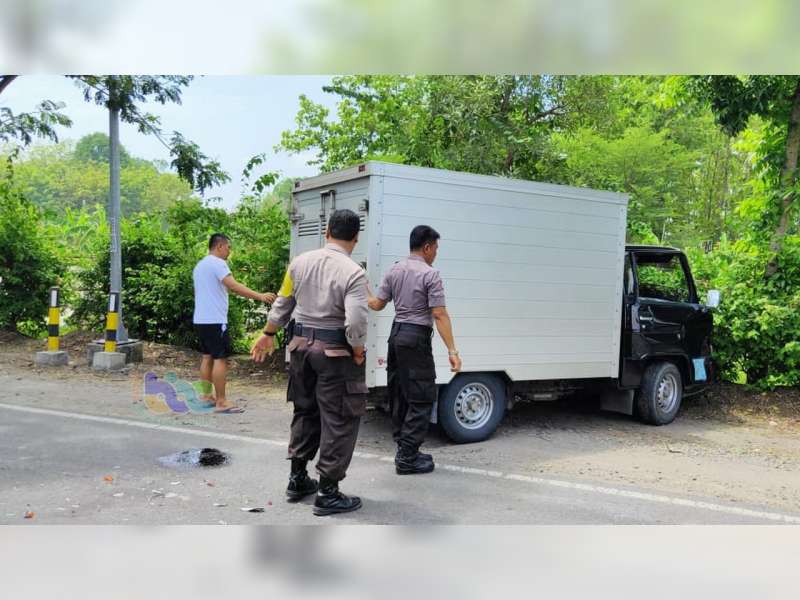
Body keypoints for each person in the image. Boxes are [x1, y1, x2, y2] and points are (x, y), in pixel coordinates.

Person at [251, 209, 369, 516]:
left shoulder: (299, 263)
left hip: (300, 348)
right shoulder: (354, 272)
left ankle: (297, 478)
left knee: (305, 411)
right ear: (355, 239)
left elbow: (282, 302)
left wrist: (268, 333)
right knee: (339, 419)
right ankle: (328, 492)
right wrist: (357, 350)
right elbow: (356, 320)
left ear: (327, 231)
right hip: (334, 354)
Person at [367, 225, 462, 475]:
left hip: (396, 337)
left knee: (399, 394)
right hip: (415, 338)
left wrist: (363, 288)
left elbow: (376, 304)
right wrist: (452, 350)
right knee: (422, 396)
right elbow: (439, 314)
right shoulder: (430, 274)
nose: (436, 254)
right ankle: (408, 458)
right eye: (436, 249)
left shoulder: (394, 269)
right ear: (427, 247)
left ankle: (404, 448)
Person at [193, 233, 275, 414]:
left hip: (201, 319)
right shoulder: (218, 264)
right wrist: (260, 296)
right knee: (220, 359)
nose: (229, 251)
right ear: (220, 246)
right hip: (215, 320)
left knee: (207, 357)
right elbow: (234, 286)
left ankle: (206, 397)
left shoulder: (200, 265)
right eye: (228, 247)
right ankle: (221, 402)